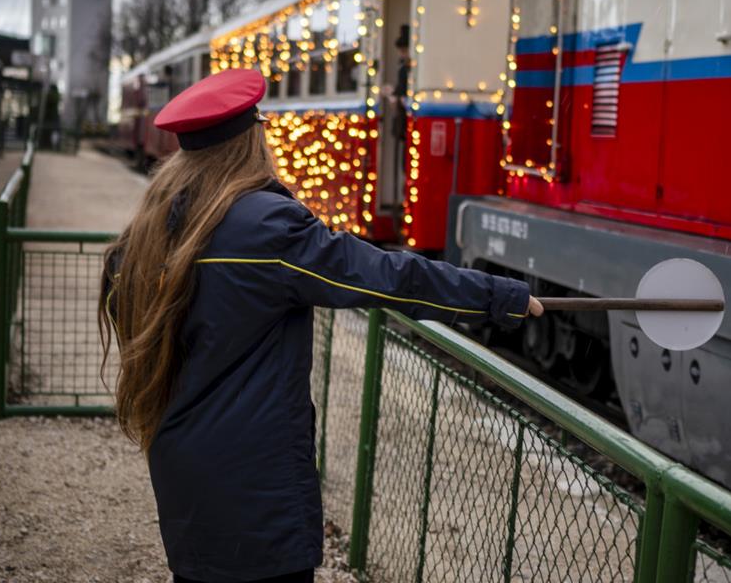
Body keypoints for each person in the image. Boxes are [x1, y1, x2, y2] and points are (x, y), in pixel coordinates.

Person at [98, 69, 542, 583]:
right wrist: (498, 296)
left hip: (179, 464)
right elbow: (390, 276)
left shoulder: (150, 227)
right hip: (255, 483)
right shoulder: (268, 228)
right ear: (250, 140)